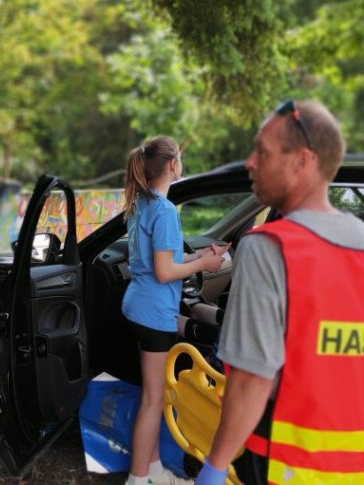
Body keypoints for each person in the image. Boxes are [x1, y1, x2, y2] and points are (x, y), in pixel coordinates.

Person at [195, 100, 364, 485]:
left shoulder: (270, 248)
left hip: (283, 469)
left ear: (302, 161)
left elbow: (251, 381)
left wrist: (214, 465)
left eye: (262, 151)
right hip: (357, 472)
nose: (250, 162)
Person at [121, 135, 226, 485]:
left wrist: (201, 257)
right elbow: (165, 272)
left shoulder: (143, 203)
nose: (182, 163)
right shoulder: (164, 210)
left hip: (138, 306)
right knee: (154, 398)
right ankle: (139, 479)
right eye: (180, 158)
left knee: (153, 393)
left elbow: (162, 261)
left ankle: (153, 471)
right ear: (171, 165)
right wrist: (205, 267)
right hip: (154, 313)